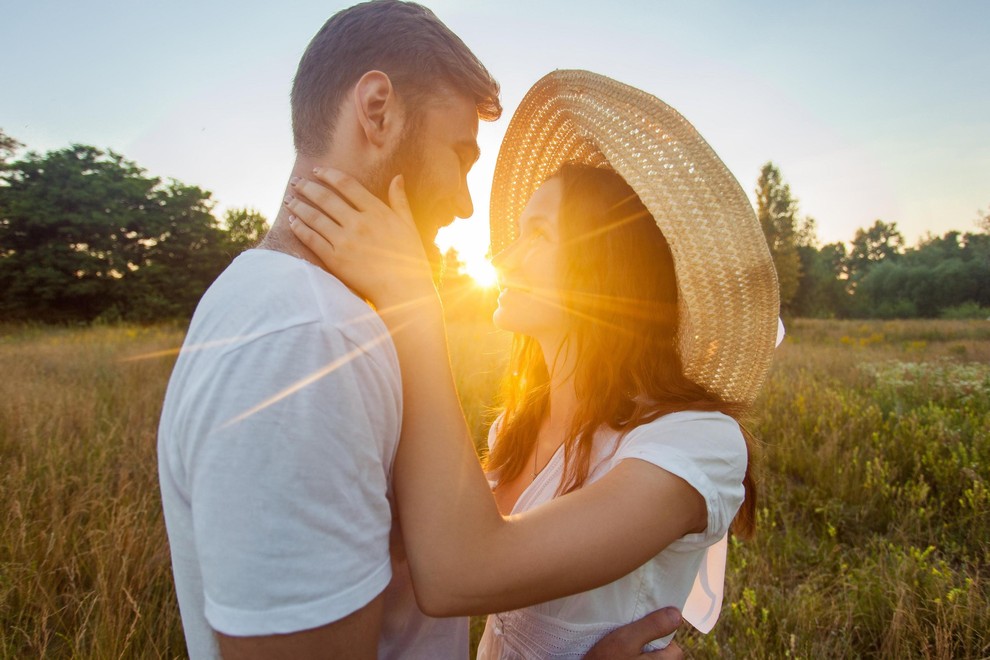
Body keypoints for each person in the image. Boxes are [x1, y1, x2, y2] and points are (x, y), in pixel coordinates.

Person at [157, 3, 683, 658]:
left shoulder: (298, 311)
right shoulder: (308, 336)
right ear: (377, 111)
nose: (466, 204)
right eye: (460, 155)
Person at [285, 69, 781, 657]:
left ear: (608, 266)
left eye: (537, 235)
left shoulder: (697, 443)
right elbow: (422, 551)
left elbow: (456, 573)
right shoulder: (517, 426)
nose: (504, 257)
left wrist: (411, 301)